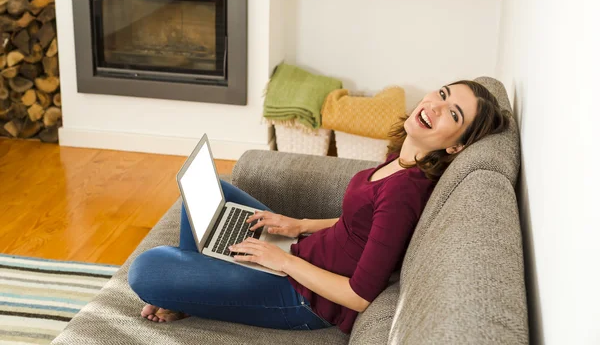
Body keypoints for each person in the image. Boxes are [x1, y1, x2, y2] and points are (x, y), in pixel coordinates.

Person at [128, 80, 511, 334]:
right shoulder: (403, 157)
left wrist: (282, 262)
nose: (436, 106)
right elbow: (360, 225)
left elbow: (359, 296)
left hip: (304, 297)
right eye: (443, 94)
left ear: (456, 146)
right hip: (301, 254)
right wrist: (299, 225)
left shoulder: (405, 194)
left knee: (146, 269)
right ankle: (190, 286)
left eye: (454, 114)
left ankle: (183, 289)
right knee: (215, 190)